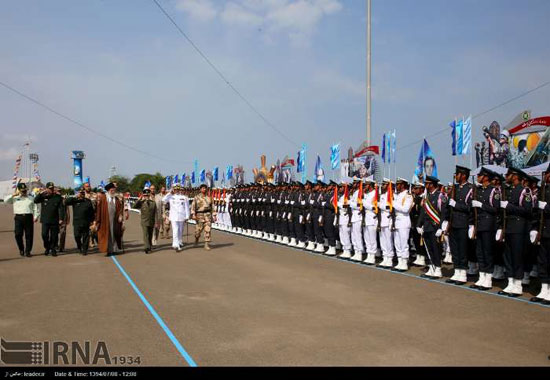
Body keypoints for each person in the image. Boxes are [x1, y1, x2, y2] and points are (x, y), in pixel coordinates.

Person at [498, 167, 532, 297]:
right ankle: (510, 282)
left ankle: (518, 284)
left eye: (509, 174)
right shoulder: (509, 190)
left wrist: (509, 207)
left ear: (515, 176)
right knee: (508, 256)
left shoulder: (524, 191)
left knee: (517, 256)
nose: (507, 176)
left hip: (518, 227)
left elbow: (527, 210)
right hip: (509, 226)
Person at [469, 168, 500, 290]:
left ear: (486, 177)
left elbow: (496, 209)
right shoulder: (479, 190)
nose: (478, 177)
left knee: (487, 252)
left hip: (488, 224)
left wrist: (481, 205)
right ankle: (482, 276)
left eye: (480, 175)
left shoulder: (494, 191)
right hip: (479, 224)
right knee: (480, 252)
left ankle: (488, 278)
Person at [445, 166, 474, 285]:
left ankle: (463, 273)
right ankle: (456, 271)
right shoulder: (454, 188)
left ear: (463, 175)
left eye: (457, 174)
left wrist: (456, 205)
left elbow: (470, 208)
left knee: (462, 249)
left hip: (463, 223)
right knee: (454, 249)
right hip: (453, 223)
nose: (456, 176)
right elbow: (448, 207)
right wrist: (446, 221)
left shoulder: (470, 189)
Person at [417, 176, 448, 279]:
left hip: (435, 226)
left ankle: (438, 268)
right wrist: (419, 224)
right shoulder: (427, 196)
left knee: (435, 248)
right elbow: (423, 212)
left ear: (432, 184)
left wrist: (441, 227)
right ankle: (431, 266)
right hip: (426, 226)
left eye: (427, 183)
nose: (425, 185)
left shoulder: (440, 196)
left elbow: (443, 213)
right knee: (428, 248)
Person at [4, 183, 40, 257]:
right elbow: (6, 201)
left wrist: (36, 216)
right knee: (18, 234)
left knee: (29, 235)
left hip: (28, 217)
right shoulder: (14, 198)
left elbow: (35, 208)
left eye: (25, 190)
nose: (24, 192)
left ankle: (28, 251)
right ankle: (21, 248)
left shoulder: (31, 198)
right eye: (22, 191)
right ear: (19, 190)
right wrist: (13, 195)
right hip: (18, 218)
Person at [531, 166, 550, 304]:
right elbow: (537, 213)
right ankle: (544, 288)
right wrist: (535, 228)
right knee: (543, 260)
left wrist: (547, 207)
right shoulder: (544, 189)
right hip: (544, 231)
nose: (547, 176)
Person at [34, 182, 66, 257]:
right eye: (49, 188)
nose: (51, 190)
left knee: (54, 236)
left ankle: (53, 249)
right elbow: (35, 200)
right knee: (44, 235)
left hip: (55, 220)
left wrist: (61, 218)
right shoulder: (43, 196)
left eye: (52, 188)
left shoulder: (58, 197)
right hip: (45, 220)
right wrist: (41, 193)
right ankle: (47, 247)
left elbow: (61, 208)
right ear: (47, 188)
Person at [94, 182, 124, 256]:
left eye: (114, 190)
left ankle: (114, 249)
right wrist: (97, 221)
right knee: (107, 235)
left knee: (114, 234)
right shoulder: (103, 198)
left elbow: (120, 208)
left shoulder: (116, 199)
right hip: (105, 220)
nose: (113, 191)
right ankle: (108, 250)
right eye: (112, 190)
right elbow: (98, 210)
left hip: (115, 220)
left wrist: (120, 215)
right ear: (108, 190)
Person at [65, 186, 95, 255]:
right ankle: (79, 246)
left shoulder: (88, 201)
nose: (82, 194)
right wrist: (75, 196)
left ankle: (84, 250)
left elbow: (91, 212)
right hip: (77, 222)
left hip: (86, 222)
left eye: (83, 193)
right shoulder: (75, 201)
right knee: (77, 236)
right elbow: (66, 202)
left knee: (86, 237)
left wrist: (92, 221)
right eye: (80, 193)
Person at [392, 178, 414, 272]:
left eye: (398, 184)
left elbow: (405, 209)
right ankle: (400, 261)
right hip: (397, 220)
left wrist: (393, 204)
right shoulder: (398, 195)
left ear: (403, 185)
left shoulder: (408, 196)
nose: (397, 186)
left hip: (404, 220)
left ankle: (404, 262)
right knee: (397, 242)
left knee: (403, 243)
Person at [162, 184, 190, 252]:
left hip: (182, 216)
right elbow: (163, 200)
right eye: (175, 189)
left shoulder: (184, 197)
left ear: (179, 189)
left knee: (180, 230)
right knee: (175, 230)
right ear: (173, 190)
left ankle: (179, 242)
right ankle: (175, 245)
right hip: (173, 216)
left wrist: (187, 216)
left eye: (177, 189)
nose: (176, 190)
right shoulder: (170, 197)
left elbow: (186, 207)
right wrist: (169, 193)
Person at [190, 184, 216, 250]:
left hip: (207, 215)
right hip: (199, 215)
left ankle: (206, 244)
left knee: (208, 230)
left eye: (205, 188)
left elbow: (213, 207)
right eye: (203, 188)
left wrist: (214, 215)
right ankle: (196, 239)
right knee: (198, 231)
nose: (204, 189)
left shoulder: (209, 197)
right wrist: (193, 214)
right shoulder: (196, 197)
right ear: (200, 189)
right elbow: (193, 206)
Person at [134, 187, 157, 254]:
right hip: (144, 221)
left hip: (151, 221)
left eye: (147, 195)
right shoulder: (141, 203)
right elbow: (134, 206)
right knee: (145, 234)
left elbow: (155, 213)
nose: (146, 196)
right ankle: (146, 248)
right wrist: (139, 199)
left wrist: (156, 221)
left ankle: (149, 246)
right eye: (145, 195)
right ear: (143, 195)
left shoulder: (153, 203)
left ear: (149, 195)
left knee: (150, 235)